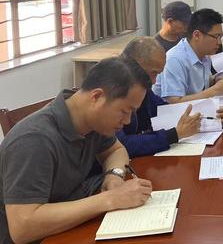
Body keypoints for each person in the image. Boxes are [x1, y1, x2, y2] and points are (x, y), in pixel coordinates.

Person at [0, 58, 153, 244]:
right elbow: (22, 227)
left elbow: (116, 150)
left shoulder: (92, 122)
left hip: (70, 225)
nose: (128, 121)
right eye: (124, 111)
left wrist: (115, 175)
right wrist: (110, 199)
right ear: (96, 97)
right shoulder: (33, 140)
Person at [118, 37, 223, 158]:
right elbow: (122, 145)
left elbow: (163, 110)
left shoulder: (143, 89)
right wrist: (175, 134)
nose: (154, 82)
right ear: (134, 65)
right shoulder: (113, 92)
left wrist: (207, 115)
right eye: (153, 73)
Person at [153, 8, 223, 103]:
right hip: (173, 111)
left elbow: (199, 83)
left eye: (220, 37)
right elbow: (174, 102)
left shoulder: (204, 54)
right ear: (196, 35)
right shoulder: (175, 59)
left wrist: (216, 79)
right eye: (216, 37)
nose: (219, 42)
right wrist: (214, 91)